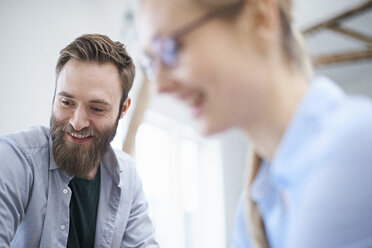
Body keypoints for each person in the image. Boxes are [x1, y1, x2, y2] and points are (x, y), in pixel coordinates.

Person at [136, 0, 372, 247]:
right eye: (151, 63)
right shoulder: (256, 203)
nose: (159, 87)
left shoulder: (353, 149)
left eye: (169, 49)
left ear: (259, 19)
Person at [0, 34, 159, 248]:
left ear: (123, 109)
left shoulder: (127, 176)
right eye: (66, 102)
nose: (77, 123)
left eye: (96, 108)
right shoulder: (15, 159)